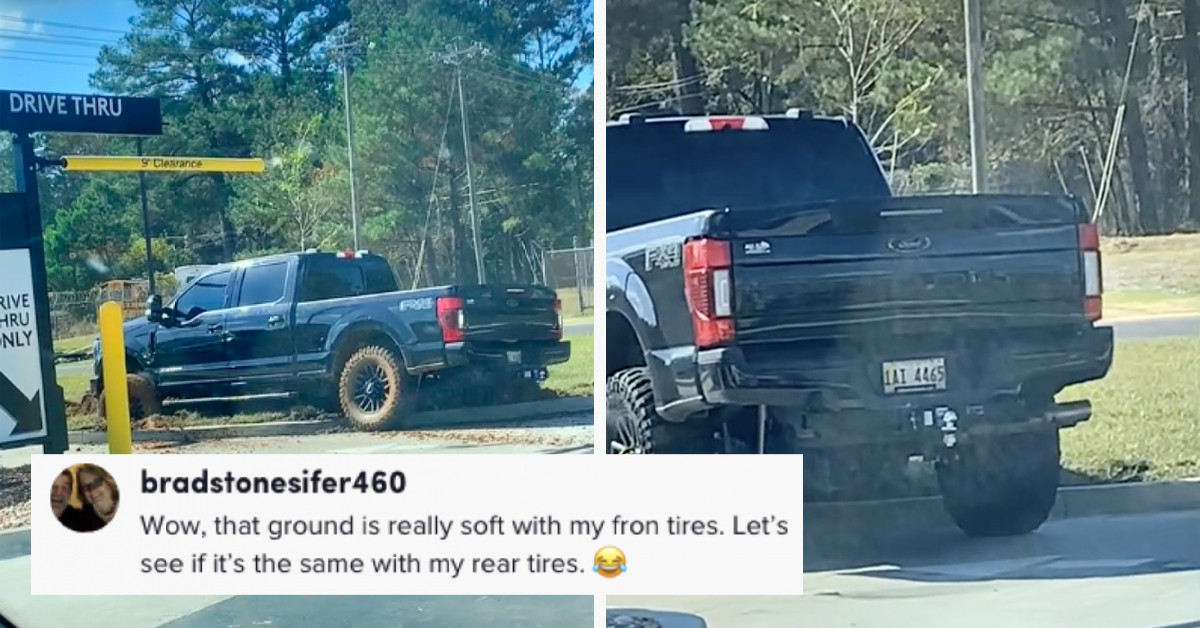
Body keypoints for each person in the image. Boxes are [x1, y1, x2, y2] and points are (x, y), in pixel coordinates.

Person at [75, 464, 119, 532]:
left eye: (96, 482)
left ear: (109, 481)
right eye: (85, 486)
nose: (92, 490)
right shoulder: (84, 516)